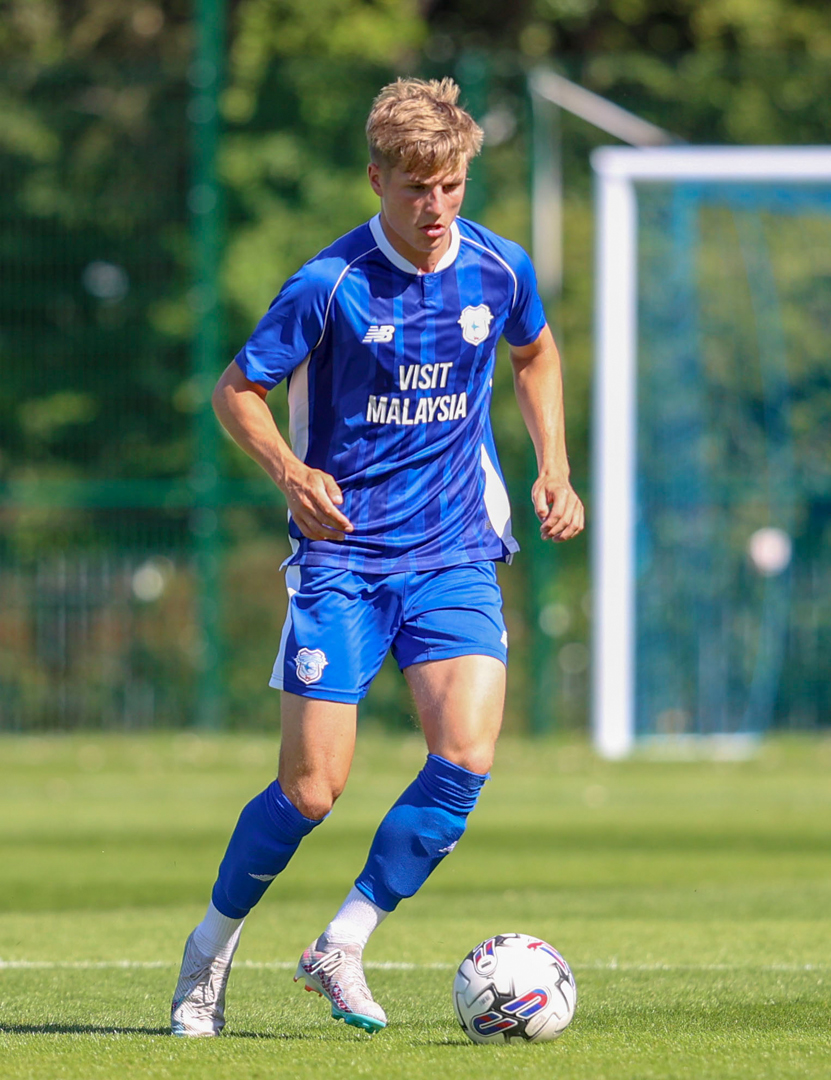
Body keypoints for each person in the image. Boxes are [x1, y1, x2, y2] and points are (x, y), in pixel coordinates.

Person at [170, 77, 585, 1037]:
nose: (435, 207)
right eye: (415, 188)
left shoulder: (498, 267)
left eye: (450, 186)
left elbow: (536, 354)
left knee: (466, 756)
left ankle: (344, 941)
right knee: (313, 790)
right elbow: (238, 392)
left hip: (453, 551)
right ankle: (209, 951)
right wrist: (287, 471)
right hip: (345, 561)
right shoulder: (330, 285)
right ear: (377, 178)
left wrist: (554, 469)